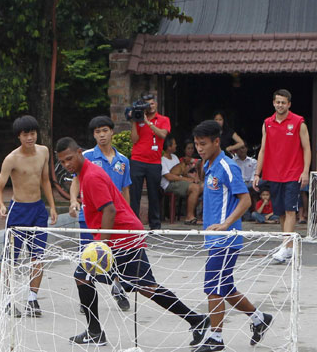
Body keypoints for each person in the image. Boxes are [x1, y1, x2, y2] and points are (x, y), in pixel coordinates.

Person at [55, 137, 208, 347]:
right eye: (63, 162)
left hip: (123, 238)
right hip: (119, 236)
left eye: (69, 159)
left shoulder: (91, 176)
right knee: (91, 279)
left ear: (80, 152)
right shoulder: (84, 173)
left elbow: (109, 210)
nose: (67, 165)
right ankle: (195, 320)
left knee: (143, 286)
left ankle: (196, 320)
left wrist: (103, 247)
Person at [192, 120, 272, 351]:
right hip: (215, 238)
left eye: (203, 144)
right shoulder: (208, 165)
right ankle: (259, 319)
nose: (199, 148)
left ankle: (215, 338)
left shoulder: (227, 166)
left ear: (217, 142)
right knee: (225, 287)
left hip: (226, 239)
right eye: (197, 144)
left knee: (212, 287)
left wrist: (226, 224)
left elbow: (245, 199)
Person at [0, 115, 58, 317]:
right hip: (18, 210)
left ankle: (33, 299)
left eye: (32, 133)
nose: (30, 138)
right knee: (10, 259)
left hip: (38, 210)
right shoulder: (11, 159)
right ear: (19, 137)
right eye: (25, 134)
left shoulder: (44, 151)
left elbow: (46, 180)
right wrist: (1, 205)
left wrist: (53, 207)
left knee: (38, 255)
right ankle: (7, 300)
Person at [68, 116, 131, 311]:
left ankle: (118, 288)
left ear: (112, 132)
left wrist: (128, 215)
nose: (102, 135)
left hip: (114, 218)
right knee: (88, 257)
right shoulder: (86, 156)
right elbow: (75, 182)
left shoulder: (123, 161)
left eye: (105, 130)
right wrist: (72, 201)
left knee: (115, 255)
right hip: (90, 217)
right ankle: (86, 298)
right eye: (97, 132)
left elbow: (125, 190)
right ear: (93, 135)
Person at [253, 89, 311, 263]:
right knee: (280, 212)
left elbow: (307, 148)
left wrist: (305, 171)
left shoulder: (299, 122)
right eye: (277, 102)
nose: (280, 105)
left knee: (290, 210)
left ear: (289, 104)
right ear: (273, 103)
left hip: (293, 173)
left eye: (283, 102)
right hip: (273, 173)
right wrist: (257, 173)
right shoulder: (267, 123)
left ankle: (285, 246)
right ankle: (289, 248)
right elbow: (263, 149)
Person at [129, 94, 170, 230]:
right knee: (135, 194)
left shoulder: (163, 119)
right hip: (137, 160)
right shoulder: (139, 118)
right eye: (147, 104)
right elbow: (134, 140)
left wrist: (148, 123)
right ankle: (134, 225)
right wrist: (135, 120)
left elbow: (163, 135)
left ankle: (155, 226)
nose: (150, 106)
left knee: (154, 194)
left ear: (156, 104)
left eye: (152, 103)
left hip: (154, 162)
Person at [161, 135, 201, 224]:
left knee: (202, 186)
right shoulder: (162, 159)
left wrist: (192, 177)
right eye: (174, 144)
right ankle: (189, 217)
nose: (176, 146)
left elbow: (182, 172)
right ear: (168, 147)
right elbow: (169, 177)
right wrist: (187, 180)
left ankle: (200, 216)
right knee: (195, 188)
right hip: (169, 184)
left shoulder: (174, 157)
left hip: (180, 181)